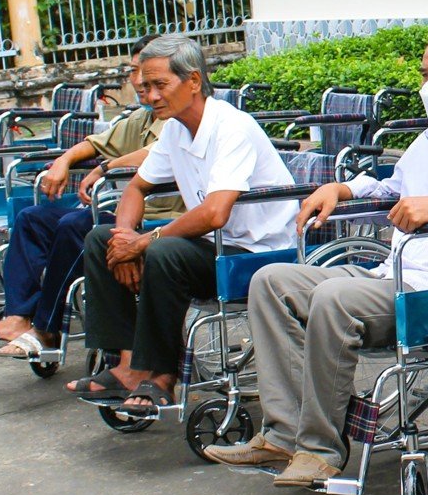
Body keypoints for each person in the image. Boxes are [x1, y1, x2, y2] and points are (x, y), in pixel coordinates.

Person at [204, 28, 428, 487]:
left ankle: (321, 450)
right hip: (393, 274)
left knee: (334, 297)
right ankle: (283, 433)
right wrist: (343, 187)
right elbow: (391, 188)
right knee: (271, 281)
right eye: (426, 73)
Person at [68, 35, 299, 418]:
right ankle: (128, 364)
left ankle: (161, 376)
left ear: (193, 81)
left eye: (161, 85)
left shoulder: (231, 127)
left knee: (162, 250)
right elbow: (138, 186)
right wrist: (124, 237)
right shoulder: (176, 128)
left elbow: (214, 214)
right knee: (99, 237)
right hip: (213, 248)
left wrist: (142, 242)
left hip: (258, 255)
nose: (151, 96)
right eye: (146, 86)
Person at [0, 43, 185, 358]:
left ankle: (46, 328)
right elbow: (96, 143)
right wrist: (64, 161)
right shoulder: (142, 116)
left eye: (149, 75)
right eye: (135, 72)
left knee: (76, 226)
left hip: (158, 213)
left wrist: (104, 168)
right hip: (118, 206)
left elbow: (157, 153)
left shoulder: (180, 116)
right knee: (32, 219)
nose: (139, 82)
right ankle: (17, 316)